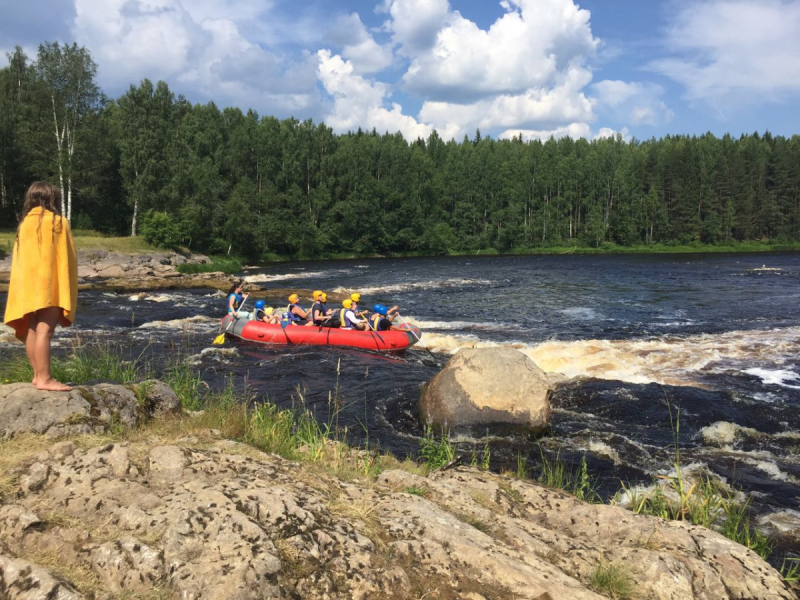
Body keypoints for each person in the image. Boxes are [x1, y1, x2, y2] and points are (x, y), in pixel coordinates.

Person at [3, 182, 77, 391]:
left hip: (28, 287)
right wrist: (66, 288)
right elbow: (66, 259)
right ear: (53, 200)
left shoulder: (24, 224)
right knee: (46, 331)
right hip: (50, 286)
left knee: (33, 329)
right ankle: (45, 379)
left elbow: (20, 261)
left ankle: (37, 376)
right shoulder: (58, 223)